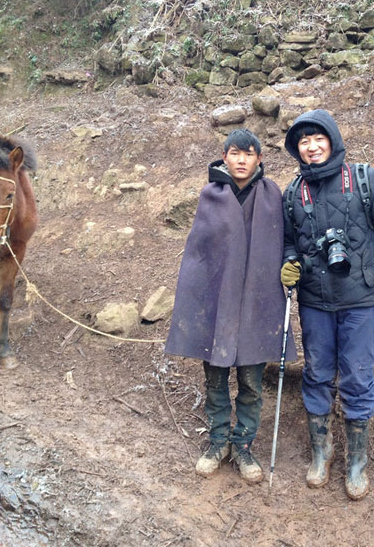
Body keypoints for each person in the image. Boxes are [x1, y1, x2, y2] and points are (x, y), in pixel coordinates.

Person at [280, 109, 374, 500]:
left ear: (332, 140)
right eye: (303, 141)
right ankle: (322, 452)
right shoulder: (292, 192)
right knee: (317, 374)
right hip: (315, 302)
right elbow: (287, 240)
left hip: (362, 301)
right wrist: (289, 263)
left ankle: (357, 461)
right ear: (296, 149)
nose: (312, 146)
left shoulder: (366, 180)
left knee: (356, 377)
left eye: (318, 138)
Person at [165, 128, 295, 484]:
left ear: (259, 159)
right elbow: (200, 255)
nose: (241, 160)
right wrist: (198, 302)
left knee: (252, 383)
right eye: (235, 153)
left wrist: (289, 263)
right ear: (225, 157)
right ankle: (218, 441)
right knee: (216, 378)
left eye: (249, 154)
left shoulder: (271, 195)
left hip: (256, 300)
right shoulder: (212, 195)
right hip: (217, 303)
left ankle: (243, 445)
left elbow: (284, 240)